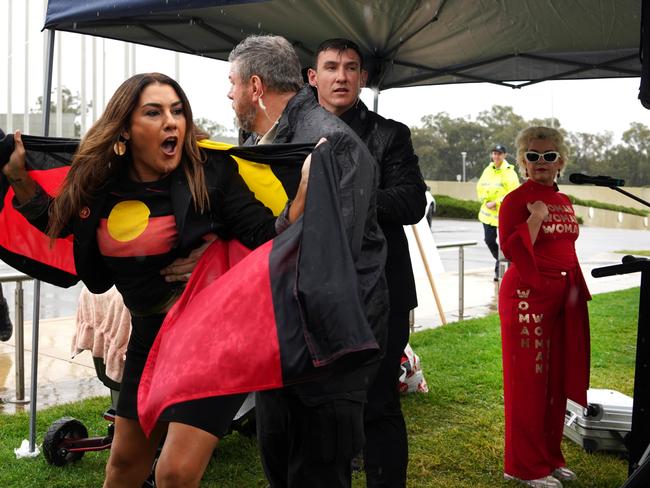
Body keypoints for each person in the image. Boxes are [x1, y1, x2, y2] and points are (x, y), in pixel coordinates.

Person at [2, 72, 307, 488]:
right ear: (125, 127)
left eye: (177, 111)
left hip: (210, 338)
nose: (171, 122)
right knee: (124, 467)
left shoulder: (210, 172)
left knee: (174, 473)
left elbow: (263, 236)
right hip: (147, 336)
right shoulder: (97, 182)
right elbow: (60, 223)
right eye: (154, 112)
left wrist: (297, 201)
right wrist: (19, 178)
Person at [228, 34, 388, 488]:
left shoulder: (331, 144)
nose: (229, 94)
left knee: (318, 471)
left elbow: (330, 254)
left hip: (328, 344)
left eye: (232, 83)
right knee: (278, 460)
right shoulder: (258, 138)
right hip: (279, 334)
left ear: (255, 86)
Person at [307, 38, 426, 488]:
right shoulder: (292, 133)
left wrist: (337, 198)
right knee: (321, 405)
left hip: (383, 289)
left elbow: (411, 201)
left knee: (378, 402)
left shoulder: (390, 134)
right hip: (314, 289)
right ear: (312, 77)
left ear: (363, 78)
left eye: (351, 68)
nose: (341, 76)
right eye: (331, 67)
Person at [498, 126, 590, 487]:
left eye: (548, 156)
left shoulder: (564, 201)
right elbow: (513, 250)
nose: (541, 162)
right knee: (529, 383)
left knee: (555, 380)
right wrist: (534, 218)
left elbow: (567, 246)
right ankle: (522, 465)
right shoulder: (515, 201)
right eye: (533, 156)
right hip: (527, 298)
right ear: (522, 162)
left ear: (560, 162)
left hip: (562, 295)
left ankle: (549, 456)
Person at [476, 144, 519, 281]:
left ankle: (499, 270)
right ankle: (502, 262)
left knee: (504, 245)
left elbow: (512, 193)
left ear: (504, 156)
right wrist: (486, 201)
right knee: (489, 240)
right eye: (494, 153)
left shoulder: (510, 172)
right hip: (487, 215)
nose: (496, 156)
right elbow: (480, 188)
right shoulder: (487, 170)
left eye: (499, 154)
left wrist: (497, 202)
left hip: (504, 216)